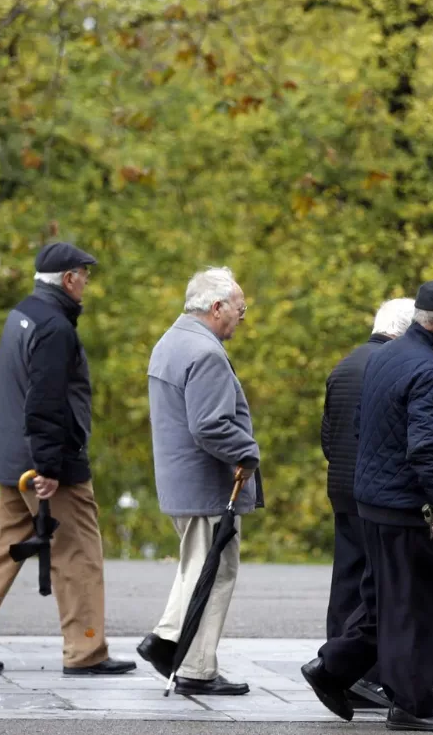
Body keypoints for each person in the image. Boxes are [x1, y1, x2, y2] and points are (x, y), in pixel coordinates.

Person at [0, 241, 135, 676]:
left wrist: (19, 449)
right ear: (68, 279)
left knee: (4, 548)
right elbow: (45, 403)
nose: (87, 283)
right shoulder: (56, 329)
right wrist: (48, 466)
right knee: (79, 553)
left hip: (12, 458)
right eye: (85, 275)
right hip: (47, 466)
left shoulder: (20, 315)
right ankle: (86, 652)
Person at [302, 280, 433, 733]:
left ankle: (331, 669)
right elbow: (425, 450)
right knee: (421, 607)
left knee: (383, 604)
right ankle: (413, 706)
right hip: (403, 509)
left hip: (371, 504)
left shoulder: (385, 358)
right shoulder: (429, 372)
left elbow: (360, 428)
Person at [137, 267, 261, 696]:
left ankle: (170, 643)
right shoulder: (204, 352)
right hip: (207, 485)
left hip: (181, 481)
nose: (243, 316)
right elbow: (209, 425)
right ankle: (192, 665)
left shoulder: (170, 342)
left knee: (197, 567)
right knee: (215, 571)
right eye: (240, 308)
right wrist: (248, 452)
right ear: (217, 307)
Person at [320, 297, 416, 711]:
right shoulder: (391, 367)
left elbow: (328, 432)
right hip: (375, 494)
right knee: (379, 586)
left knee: (346, 581)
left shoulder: (344, 364)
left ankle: (336, 671)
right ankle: (365, 677)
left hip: (341, 486)